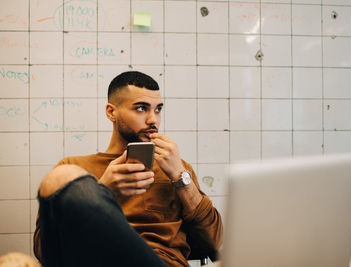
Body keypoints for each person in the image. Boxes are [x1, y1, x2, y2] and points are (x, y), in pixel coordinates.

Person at [33, 71, 223, 267]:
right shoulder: (76, 168)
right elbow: (43, 250)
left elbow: (212, 242)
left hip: (160, 262)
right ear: (111, 112)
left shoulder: (176, 169)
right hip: (97, 261)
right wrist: (102, 191)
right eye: (141, 108)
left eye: (158, 109)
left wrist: (180, 177)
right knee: (63, 176)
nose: (153, 120)